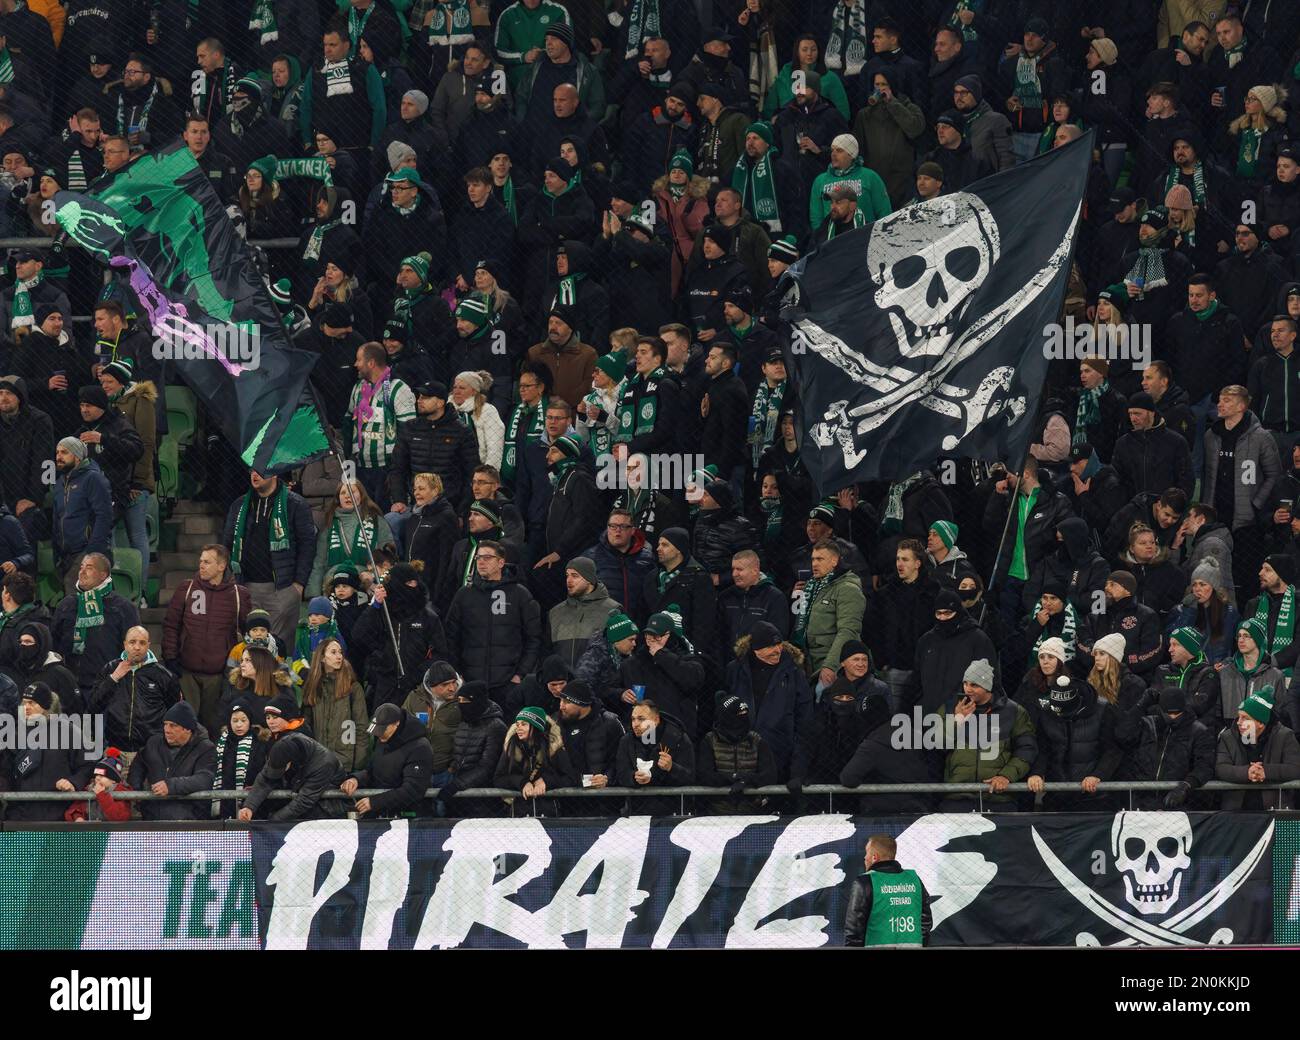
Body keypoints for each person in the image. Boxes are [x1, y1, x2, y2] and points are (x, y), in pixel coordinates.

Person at [223, 468, 317, 652]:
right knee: (250, 653)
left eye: (260, 471)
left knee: (279, 653)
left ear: (274, 473)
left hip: (282, 589)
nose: (254, 475)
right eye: (251, 471)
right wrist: (231, 578)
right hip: (246, 587)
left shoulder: (295, 504)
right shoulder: (239, 505)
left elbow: (308, 545)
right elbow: (227, 543)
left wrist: (298, 585)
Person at [162, 544, 250, 736]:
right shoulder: (186, 588)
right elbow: (171, 626)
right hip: (186, 672)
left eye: (207, 562)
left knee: (214, 729)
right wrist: (171, 659)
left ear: (221, 566)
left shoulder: (239, 595)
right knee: (185, 729)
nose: (201, 565)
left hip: (219, 676)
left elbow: (248, 634)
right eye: (201, 561)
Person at [445, 539, 542, 714]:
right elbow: (451, 637)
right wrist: (459, 675)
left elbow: (534, 638)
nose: (481, 562)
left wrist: (520, 675)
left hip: (508, 685)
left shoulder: (520, 594)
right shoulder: (464, 595)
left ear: (501, 562)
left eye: (487, 557)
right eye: (478, 558)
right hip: (472, 684)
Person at [936, 659, 1036, 812]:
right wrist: (957, 720)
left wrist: (1006, 776)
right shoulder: (951, 708)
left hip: (999, 798)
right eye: (965, 683)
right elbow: (937, 745)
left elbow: (1026, 749)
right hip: (957, 797)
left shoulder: (1014, 711)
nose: (968, 689)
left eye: (974, 685)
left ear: (988, 686)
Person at [725, 620, 812, 785]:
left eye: (779, 644)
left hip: (782, 757)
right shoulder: (734, 671)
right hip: (742, 757)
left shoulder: (794, 673)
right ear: (756, 649)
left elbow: (805, 724)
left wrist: (798, 771)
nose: (777, 650)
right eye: (771, 646)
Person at [353, 562, 448, 710]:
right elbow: (359, 635)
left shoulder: (428, 617)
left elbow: (440, 652)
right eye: (408, 583)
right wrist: (375, 606)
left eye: (415, 582)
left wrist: (419, 674)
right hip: (386, 684)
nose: (413, 586)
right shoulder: (382, 611)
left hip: (418, 688)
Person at [51, 553, 140, 699]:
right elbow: (54, 645)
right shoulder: (66, 605)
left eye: (89, 567)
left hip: (109, 688)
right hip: (70, 687)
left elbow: (133, 650)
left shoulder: (124, 608)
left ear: (103, 575)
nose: (82, 571)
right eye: (81, 567)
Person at [0, 682, 92, 822]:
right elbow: (5, 772)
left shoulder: (68, 731)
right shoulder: (15, 734)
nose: (26, 708)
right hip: (21, 817)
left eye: (32, 703)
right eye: (24, 703)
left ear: (45, 706)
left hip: (59, 816)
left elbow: (88, 765)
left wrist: (73, 782)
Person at [1116, 685, 1215, 810]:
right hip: (1142, 801)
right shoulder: (1149, 725)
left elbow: (1205, 765)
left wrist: (1186, 785)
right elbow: (1122, 735)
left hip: (1178, 803)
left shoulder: (1198, 731)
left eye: (1177, 713)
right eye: (1168, 713)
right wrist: (1141, 705)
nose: (1173, 717)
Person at [341, 702, 436, 819]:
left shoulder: (420, 747)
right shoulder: (383, 740)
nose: (379, 735)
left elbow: (413, 790)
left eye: (382, 730)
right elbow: (372, 771)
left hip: (410, 818)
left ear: (396, 724)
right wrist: (356, 779)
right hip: (383, 814)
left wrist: (375, 802)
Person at [128, 701, 217, 822]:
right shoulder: (154, 743)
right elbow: (138, 765)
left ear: (187, 729)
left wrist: (171, 786)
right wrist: (136, 789)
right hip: (152, 820)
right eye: (165, 724)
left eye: (173, 725)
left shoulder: (206, 748)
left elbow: (205, 779)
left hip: (189, 823)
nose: (167, 730)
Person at [695, 692, 778, 814]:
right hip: (716, 814)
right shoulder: (710, 741)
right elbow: (704, 776)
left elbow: (770, 776)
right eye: (738, 717)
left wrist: (746, 780)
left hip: (752, 813)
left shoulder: (757, 741)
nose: (742, 722)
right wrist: (733, 778)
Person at [842, 834, 932, 947]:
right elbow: (926, 921)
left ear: (874, 857)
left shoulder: (865, 882)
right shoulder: (914, 879)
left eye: (866, 853)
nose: (865, 857)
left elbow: (854, 930)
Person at [238, 729, 347, 822]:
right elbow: (265, 779)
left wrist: (273, 821)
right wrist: (249, 807)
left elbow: (304, 800)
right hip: (298, 809)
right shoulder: (281, 749)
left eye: (281, 769)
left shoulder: (325, 763)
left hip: (326, 815)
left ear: (291, 762)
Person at [1215, 691, 1300, 810]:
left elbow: (1295, 767)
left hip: (1275, 810)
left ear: (1260, 723)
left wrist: (1266, 771)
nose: (1239, 722)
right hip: (1234, 811)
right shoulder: (1228, 737)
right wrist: (1247, 772)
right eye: (1239, 716)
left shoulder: (1285, 736)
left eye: (1245, 718)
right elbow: (1220, 768)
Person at [51, 437, 113, 593]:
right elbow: (57, 518)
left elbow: (104, 516)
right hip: (66, 554)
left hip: (86, 551)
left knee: (77, 596)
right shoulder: (60, 483)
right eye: (57, 452)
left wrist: (92, 551)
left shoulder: (93, 478)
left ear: (77, 457)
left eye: (64, 452)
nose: (58, 457)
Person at [436, 680, 508, 814]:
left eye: (464, 701)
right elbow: (459, 754)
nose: (460, 705)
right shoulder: (465, 722)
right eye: (459, 700)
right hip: (459, 795)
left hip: (483, 799)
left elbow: (487, 767)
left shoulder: (496, 727)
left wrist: (457, 785)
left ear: (477, 701)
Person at [301, 637, 370, 773]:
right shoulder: (312, 688)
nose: (339, 656)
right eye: (333, 652)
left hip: (345, 766)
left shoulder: (353, 688)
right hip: (317, 764)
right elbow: (306, 729)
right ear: (322, 657)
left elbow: (361, 729)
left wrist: (357, 768)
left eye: (340, 652)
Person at [614, 698, 695, 812]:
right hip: (637, 813)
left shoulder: (678, 738)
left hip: (673, 812)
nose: (635, 724)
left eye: (641, 719)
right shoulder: (626, 741)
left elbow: (690, 777)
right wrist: (634, 777)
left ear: (656, 720)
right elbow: (621, 773)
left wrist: (671, 767)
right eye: (633, 719)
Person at [493, 704, 576, 807]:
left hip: (548, 808)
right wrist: (522, 783)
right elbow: (498, 779)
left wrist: (546, 781)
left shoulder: (554, 747)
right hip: (519, 810)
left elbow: (570, 778)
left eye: (524, 724)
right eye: (517, 724)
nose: (518, 728)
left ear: (536, 726)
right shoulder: (511, 747)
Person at [1217, 618, 1287, 734]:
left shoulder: (1275, 676)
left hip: (1262, 737)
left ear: (1258, 640)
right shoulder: (1225, 673)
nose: (1241, 640)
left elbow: (1280, 713)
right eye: (1239, 636)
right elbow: (1217, 711)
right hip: (1231, 737)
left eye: (1246, 636)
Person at [548, 556, 619, 669]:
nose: (569, 580)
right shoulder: (556, 612)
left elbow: (621, 653)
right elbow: (548, 653)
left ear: (589, 579)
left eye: (575, 576)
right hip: (564, 684)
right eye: (567, 575)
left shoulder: (612, 610)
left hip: (599, 683)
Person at [210, 700, 268, 820]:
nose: (239, 725)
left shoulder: (259, 744)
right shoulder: (221, 743)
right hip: (224, 805)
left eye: (243, 720)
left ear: (250, 721)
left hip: (250, 807)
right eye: (235, 720)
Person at [65, 749, 133, 824]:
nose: (97, 778)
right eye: (96, 775)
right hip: (91, 832)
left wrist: (102, 795)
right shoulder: (89, 789)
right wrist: (78, 817)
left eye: (102, 776)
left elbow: (120, 817)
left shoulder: (121, 792)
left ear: (113, 780)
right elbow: (75, 808)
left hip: (111, 833)